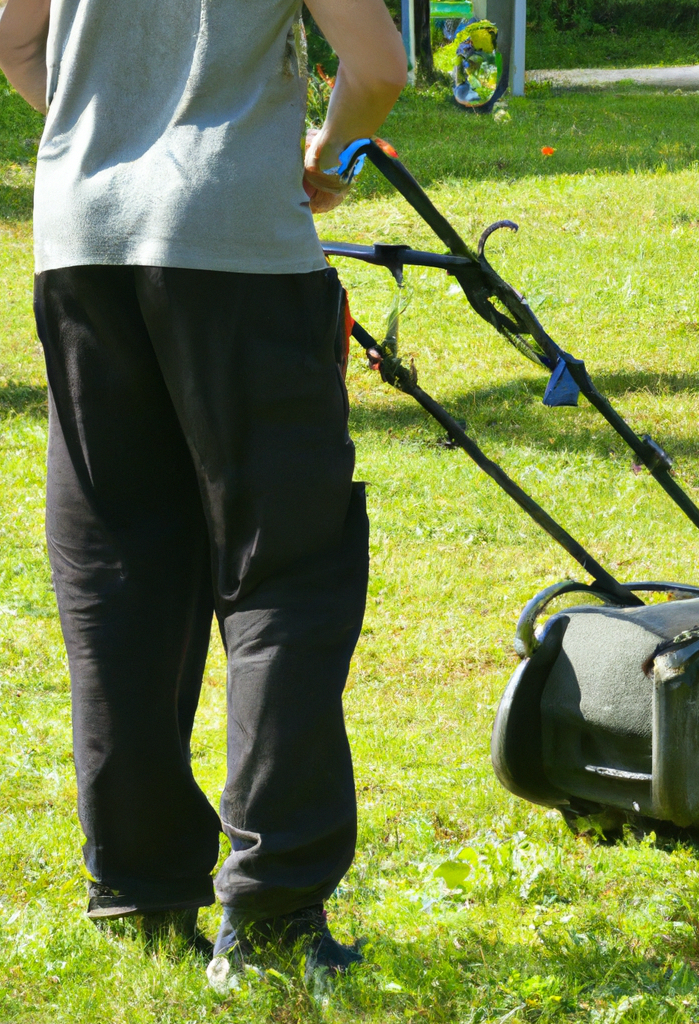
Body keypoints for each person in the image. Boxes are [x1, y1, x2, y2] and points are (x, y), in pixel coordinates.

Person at [0, 0, 407, 983]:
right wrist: (323, 159)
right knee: (287, 571)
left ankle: (140, 886)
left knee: (119, 568)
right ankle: (269, 915)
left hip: (80, 235)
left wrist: (109, 133)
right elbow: (378, 65)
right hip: (234, 237)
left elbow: (14, 38)